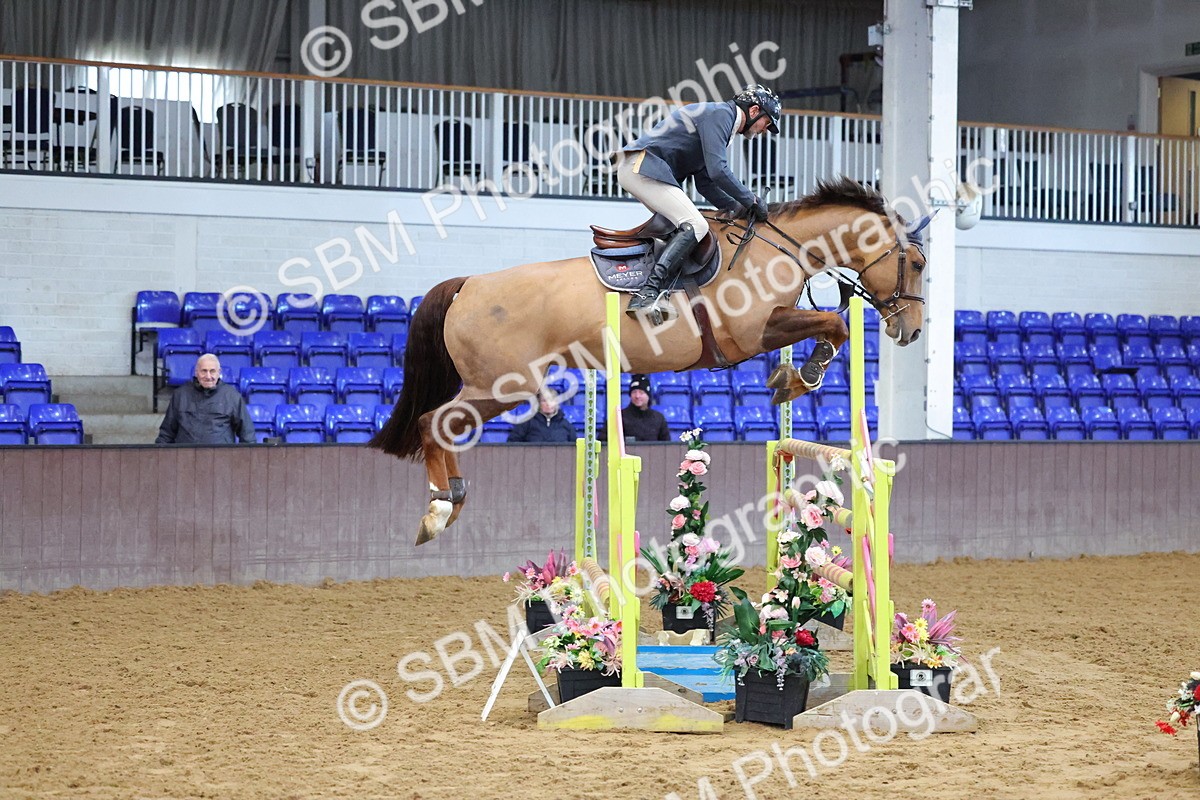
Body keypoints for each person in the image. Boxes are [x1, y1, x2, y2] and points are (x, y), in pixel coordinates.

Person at [617, 84, 782, 322]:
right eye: (767, 124)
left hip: (643, 169)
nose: (764, 130)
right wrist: (751, 200)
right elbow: (718, 171)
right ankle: (647, 293)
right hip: (642, 168)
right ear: (755, 110)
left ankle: (660, 290)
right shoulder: (721, 115)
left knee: (684, 228)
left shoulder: (722, 122)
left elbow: (705, 182)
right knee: (695, 225)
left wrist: (738, 209)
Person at [155, 353, 256, 444]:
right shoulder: (180, 395)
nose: (208, 376)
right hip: (186, 460)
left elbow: (247, 435)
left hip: (222, 461)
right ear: (196, 372)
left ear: (219, 372)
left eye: (212, 371)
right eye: (204, 371)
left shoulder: (232, 397)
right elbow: (166, 434)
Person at [507, 392, 577, 443]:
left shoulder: (566, 425)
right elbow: (512, 442)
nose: (548, 404)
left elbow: (574, 448)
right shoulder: (527, 422)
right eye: (544, 401)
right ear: (539, 404)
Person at [621, 374, 670, 442]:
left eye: (641, 392)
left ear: (648, 395)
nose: (637, 396)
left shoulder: (659, 418)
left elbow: (666, 446)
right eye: (634, 392)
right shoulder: (620, 417)